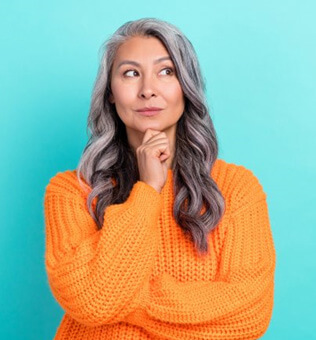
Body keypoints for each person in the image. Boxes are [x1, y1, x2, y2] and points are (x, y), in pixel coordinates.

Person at [43, 17, 276, 340]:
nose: (148, 90)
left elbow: (248, 315)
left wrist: (126, 300)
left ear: (187, 86)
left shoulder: (236, 189)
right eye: (130, 73)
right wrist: (148, 190)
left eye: (166, 71)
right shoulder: (72, 192)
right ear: (110, 92)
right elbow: (91, 301)